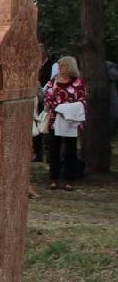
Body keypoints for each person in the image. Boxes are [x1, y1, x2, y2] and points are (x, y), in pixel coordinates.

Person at [43, 56, 87, 191]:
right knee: (54, 150)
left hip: (71, 120)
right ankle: (54, 179)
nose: (61, 69)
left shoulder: (78, 83)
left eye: (64, 66)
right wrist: (57, 107)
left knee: (70, 150)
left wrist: (67, 109)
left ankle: (69, 180)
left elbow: (83, 100)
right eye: (60, 66)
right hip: (55, 120)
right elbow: (48, 97)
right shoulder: (53, 81)